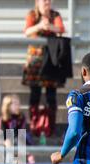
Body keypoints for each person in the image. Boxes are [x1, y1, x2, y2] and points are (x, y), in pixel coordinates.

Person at [22, 0, 65, 139]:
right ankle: (35, 127)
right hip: (35, 61)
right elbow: (27, 31)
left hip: (51, 59)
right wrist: (40, 25)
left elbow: (61, 29)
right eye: (44, 0)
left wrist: (49, 26)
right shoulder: (32, 15)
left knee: (51, 96)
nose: (46, 2)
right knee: (34, 94)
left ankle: (49, 128)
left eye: (48, 0)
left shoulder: (55, 15)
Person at [0, 94, 35, 164]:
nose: (18, 106)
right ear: (7, 106)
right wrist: (5, 142)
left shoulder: (21, 117)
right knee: (9, 143)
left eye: (18, 104)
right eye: (15, 104)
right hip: (7, 143)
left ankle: (27, 159)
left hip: (19, 141)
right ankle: (11, 162)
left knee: (21, 140)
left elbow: (22, 132)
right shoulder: (2, 119)